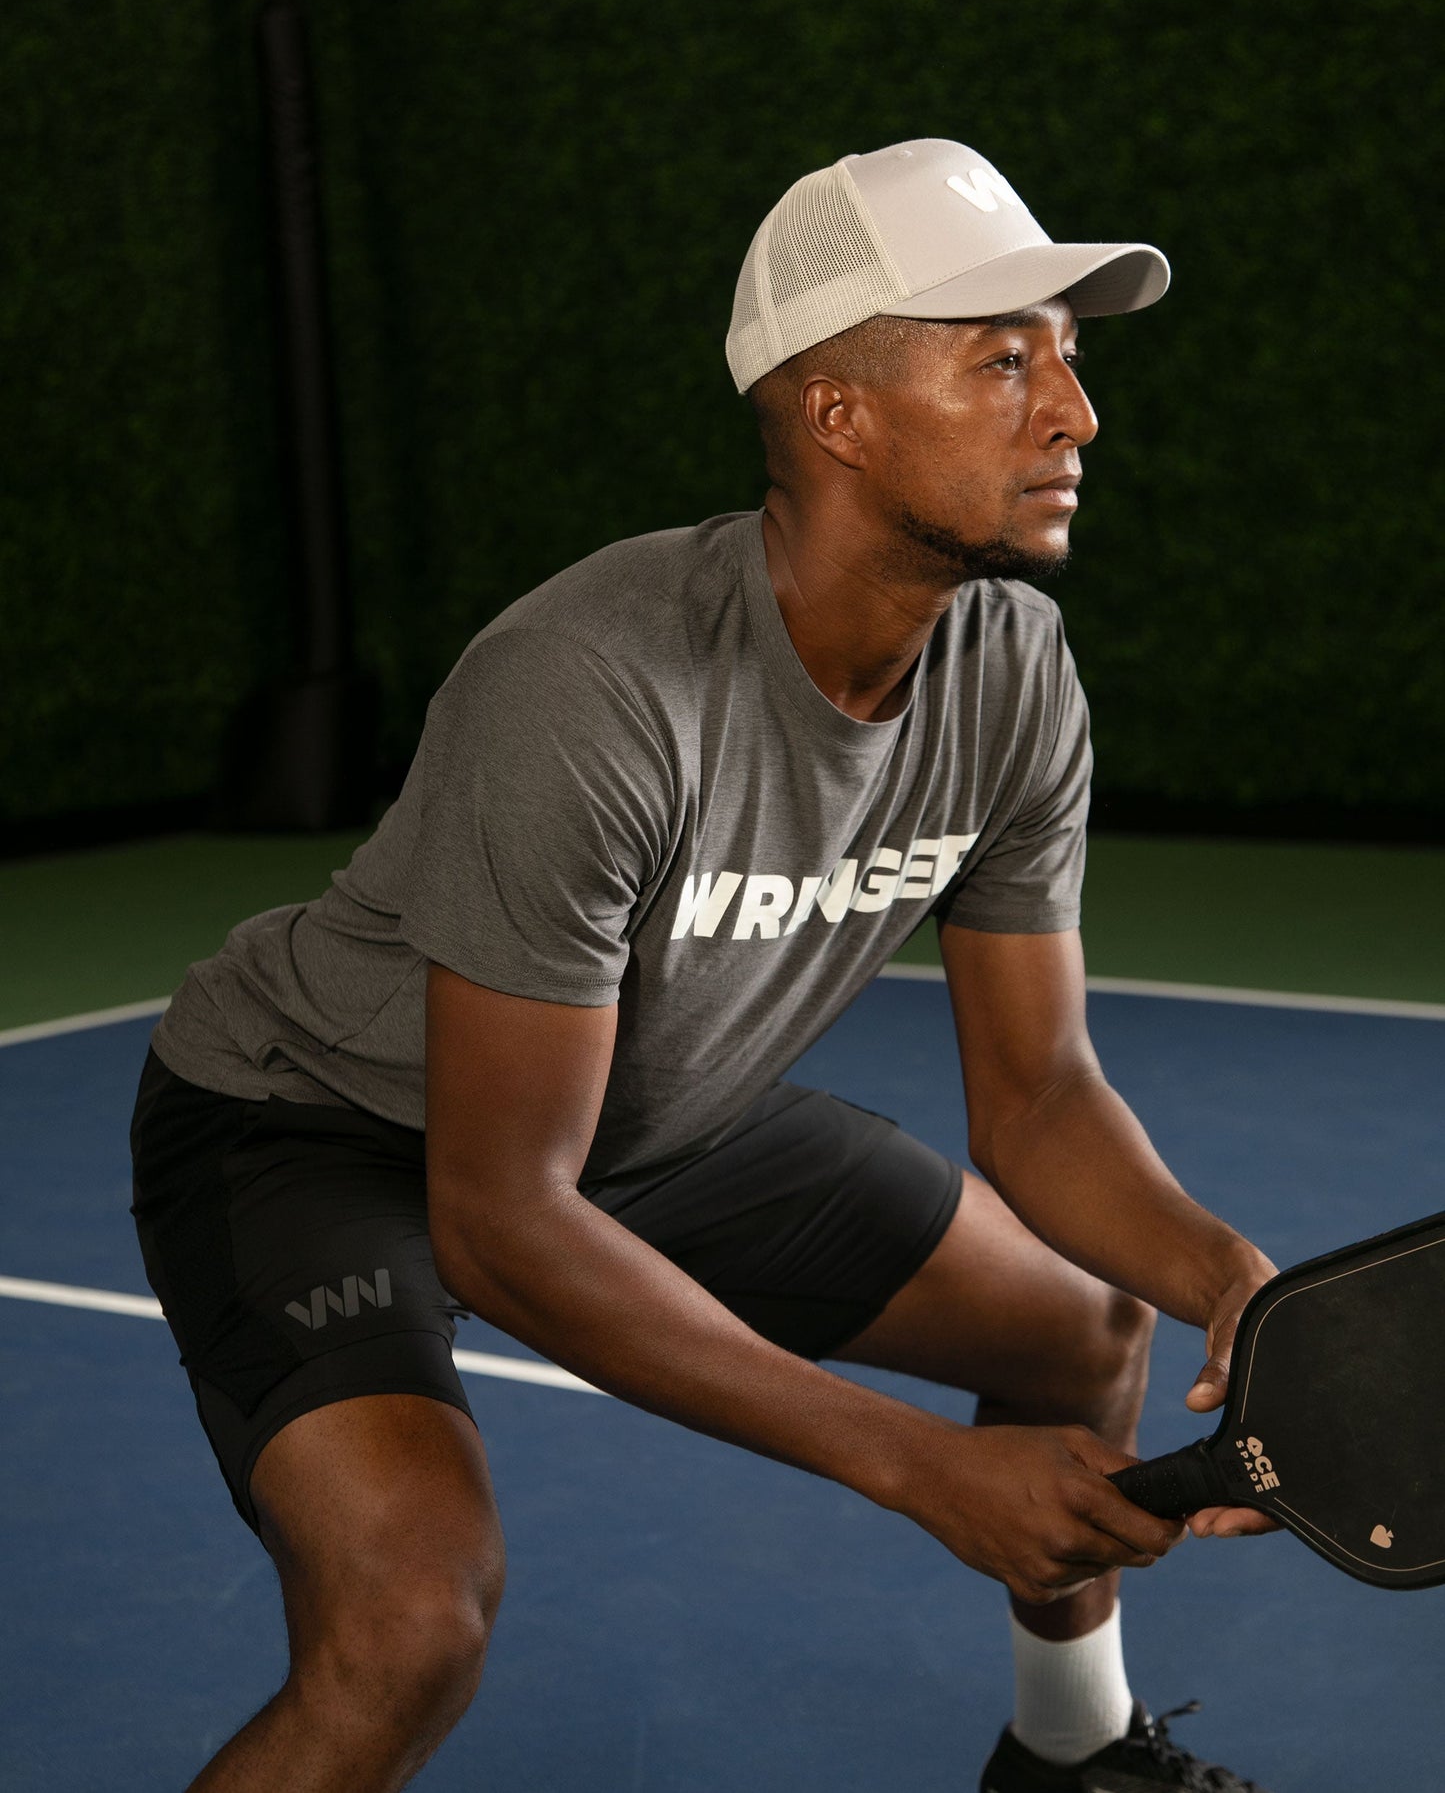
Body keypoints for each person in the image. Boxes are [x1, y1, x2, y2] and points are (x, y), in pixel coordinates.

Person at [130, 138, 1278, 1793]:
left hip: (648, 1113)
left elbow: (1035, 1096)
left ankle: (1071, 1749)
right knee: (410, 1623)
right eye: (1005, 359)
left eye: (1071, 360)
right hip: (319, 1124)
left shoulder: (1012, 667)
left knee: (1077, 1322)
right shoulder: (588, 692)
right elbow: (504, 1216)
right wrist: (914, 1468)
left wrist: (1237, 1282)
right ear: (837, 413)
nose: (1074, 415)